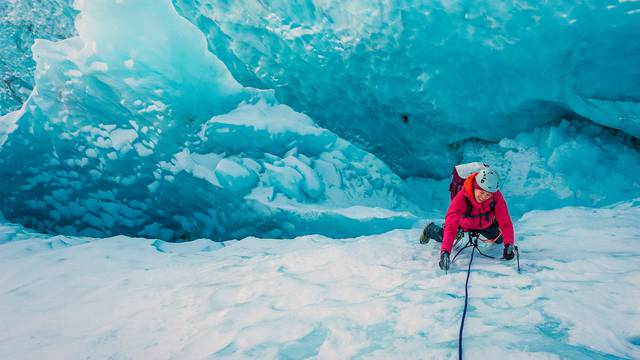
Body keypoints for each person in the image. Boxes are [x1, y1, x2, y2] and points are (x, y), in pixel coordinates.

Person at [420, 167, 515, 271]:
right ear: (475, 186)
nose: (484, 197)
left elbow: (505, 221)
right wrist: (445, 252)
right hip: (463, 225)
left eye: (488, 194)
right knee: (445, 237)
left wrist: (509, 244)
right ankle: (430, 230)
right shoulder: (461, 198)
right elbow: (451, 226)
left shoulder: (496, 196)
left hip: (484, 224)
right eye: (482, 192)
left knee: (499, 239)